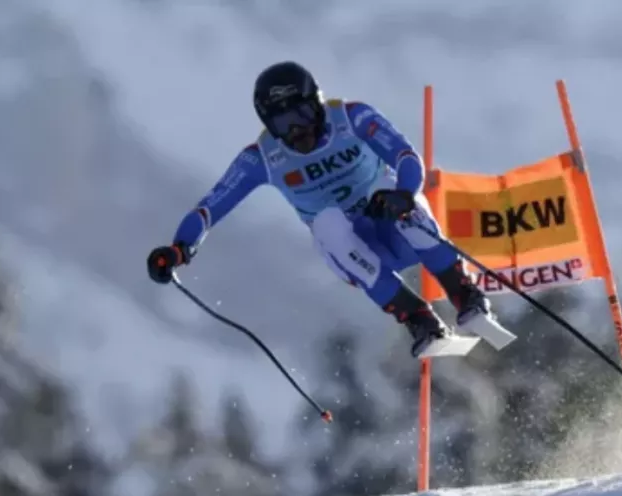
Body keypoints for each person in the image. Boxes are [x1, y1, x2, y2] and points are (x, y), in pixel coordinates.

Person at [146, 60, 497, 357]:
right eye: (283, 124)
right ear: (270, 126)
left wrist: (404, 193)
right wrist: (180, 248)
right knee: (327, 222)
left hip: (394, 222)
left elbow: (406, 157)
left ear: (317, 102)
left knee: (392, 190)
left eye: (301, 113)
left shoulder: (352, 117)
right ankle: (419, 319)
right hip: (355, 250)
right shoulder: (262, 157)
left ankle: (465, 294)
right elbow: (210, 207)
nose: (297, 129)